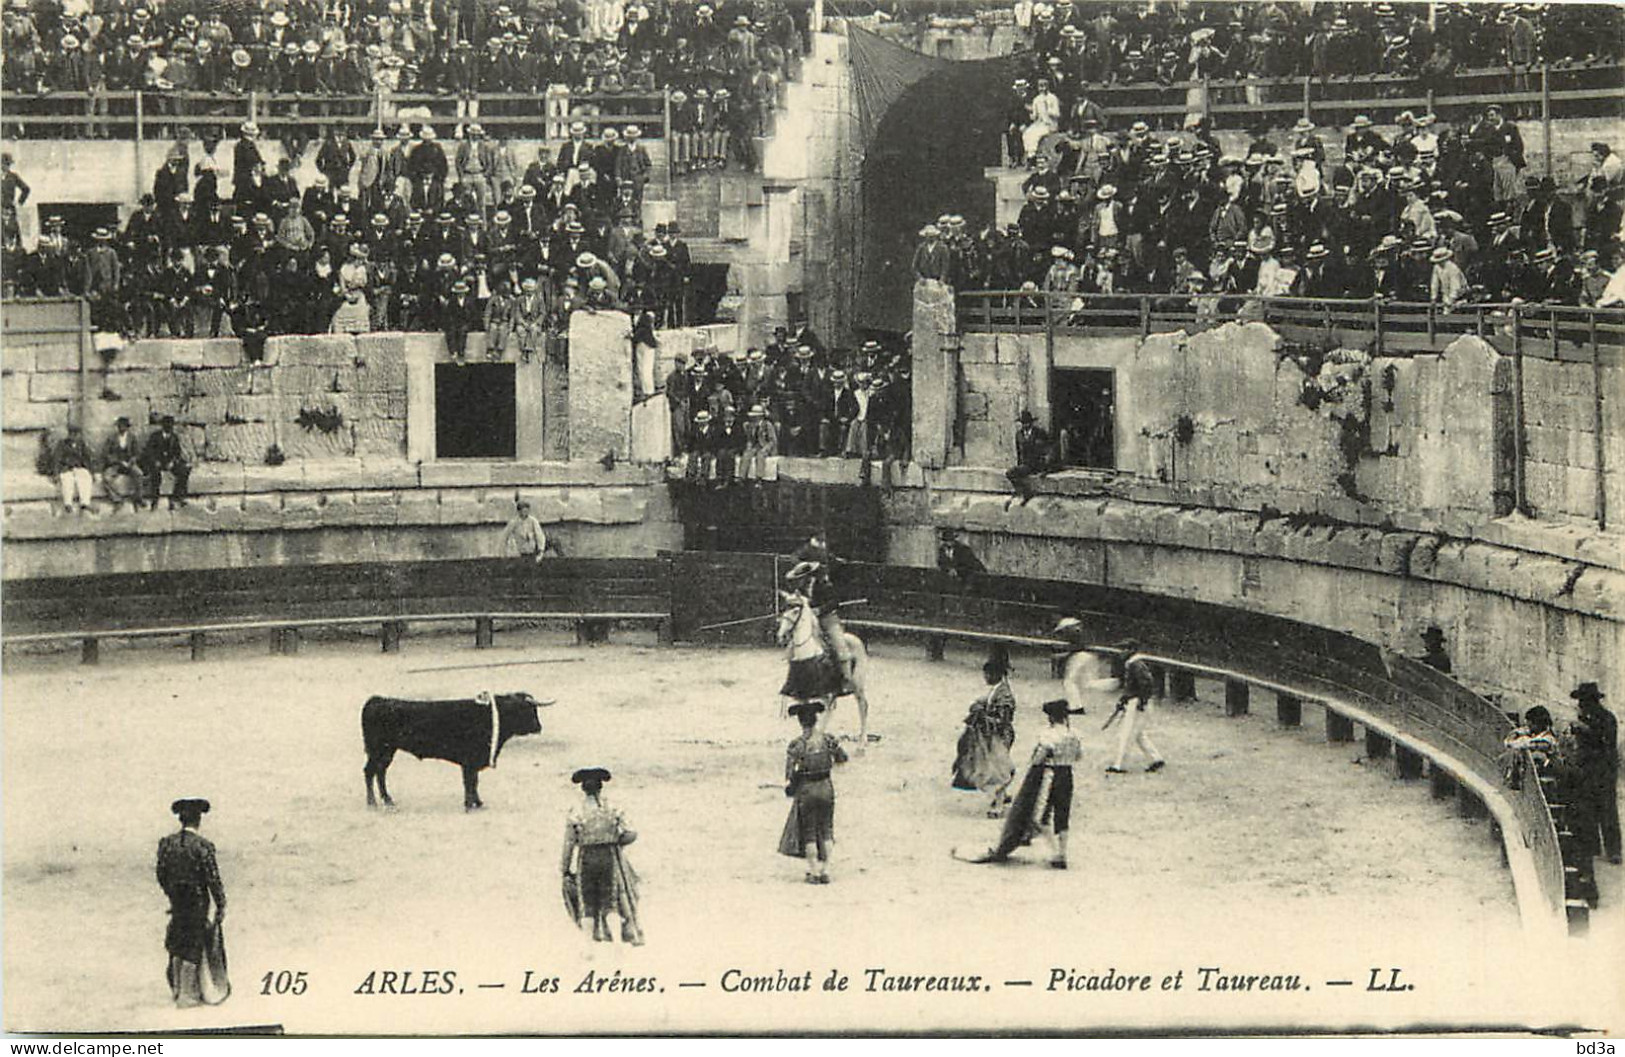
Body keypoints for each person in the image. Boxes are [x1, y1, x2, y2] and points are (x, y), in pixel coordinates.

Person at [959, 697, 1083, 867]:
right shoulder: (1074, 734)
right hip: (1067, 776)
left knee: (1040, 817)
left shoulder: (1049, 734)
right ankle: (1062, 852)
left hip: (1050, 775)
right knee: (1062, 815)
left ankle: (1055, 854)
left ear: (1051, 717)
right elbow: (1078, 757)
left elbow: (1038, 758)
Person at [155, 797, 229, 1008]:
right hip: (197, 903)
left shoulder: (167, 844)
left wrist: (172, 893)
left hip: (177, 902)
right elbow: (213, 880)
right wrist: (221, 905)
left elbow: (161, 874)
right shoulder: (203, 846)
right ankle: (187, 996)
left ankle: (178, 989)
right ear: (198, 820)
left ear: (181, 819)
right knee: (193, 943)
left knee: (177, 941)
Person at [560, 768, 643, 945]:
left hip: (586, 857)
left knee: (587, 901)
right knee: (610, 899)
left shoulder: (576, 811)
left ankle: (588, 945)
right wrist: (615, 842)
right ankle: (618, 942)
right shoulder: (612, 809)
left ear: (583, 789)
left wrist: (565, 869)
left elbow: (569, 843)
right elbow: (631, 834)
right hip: (609, 856)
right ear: (600, 788)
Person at [778, 701, 848, 884]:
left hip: (807, 790)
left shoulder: (797, 745)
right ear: (816, 720)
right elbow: (843, 758)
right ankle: (825, 870)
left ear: (801, 722)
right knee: (826, 829)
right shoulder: (828, 739)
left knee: (809, 832)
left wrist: (792, 786)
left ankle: (815, 872)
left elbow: (789, 773)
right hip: (826, 786)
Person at [953, 648, 1018, 818]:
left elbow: (1002, 720)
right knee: (996, 768)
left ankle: (997, 805)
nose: (985, 678)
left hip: (998, 736)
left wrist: (982, 715)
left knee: (997, 770)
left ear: (996, 674)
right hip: (992, 735)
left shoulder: (1004, 694)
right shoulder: (999, 689)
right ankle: (1001, 797)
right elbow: (986, 702)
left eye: (988, 674)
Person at [1569, 683, 1620, 866]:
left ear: (1592, 702)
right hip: (1588, 771)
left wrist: (1586, 731)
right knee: (1588, 808)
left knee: (1607, 810)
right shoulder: (1586, 718)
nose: (1580, 704)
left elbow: (1607, 745)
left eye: (1583, 701)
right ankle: (1592, 847)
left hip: (1604, 771)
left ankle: (1614, 851)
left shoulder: (1607, 719)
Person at [1105, 652, 1166, 775]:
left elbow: (1146, 683)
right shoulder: (1134, 663)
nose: (1121, 652)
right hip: (1135, 701)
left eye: (1125, 649)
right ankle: (1156, 759)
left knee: (1127, 734)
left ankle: (1119, 765)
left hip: (1136, 702)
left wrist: (1142, 701)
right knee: (1138, 734)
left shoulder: (1135, 664)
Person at [1500, 705, 1560, 789]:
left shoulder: (1547, 740)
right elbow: (1508, 742)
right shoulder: (1535, 735)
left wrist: (1519, 735)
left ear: (1537, 724)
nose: (1528, 726)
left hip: (1546, 773)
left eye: (1530, 724)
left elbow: (1519, 744)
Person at [139, 414, 190, 509]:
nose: (169, 426)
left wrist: (173, 462)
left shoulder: (174, 437)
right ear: (163, 425)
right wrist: (155, 461)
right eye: (167, 424)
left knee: (184, 471)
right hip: (156, 463)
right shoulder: (155, 436)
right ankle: (155, 499)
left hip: (168, 463)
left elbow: (177, 453)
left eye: (171, 424)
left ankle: (177, 497)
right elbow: (149, 451)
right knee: (156, 475)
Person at [1006, 411, 1052, 509]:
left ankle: (1026, 493)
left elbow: (1047, 449)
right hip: (1026, 465)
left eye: (1027, 423)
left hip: (1037, 464)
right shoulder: (1019, 435)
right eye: (1023, 423)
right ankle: (1025, 491)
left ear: (1031, 423)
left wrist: (1046, 468)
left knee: (1011, 473)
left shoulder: (1039, 433)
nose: (1025, 425)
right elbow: (1019, 452)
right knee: (1010, 473)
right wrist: (1019, 465)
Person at [53, 422, 96, 514]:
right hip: (66, 468)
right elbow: (57, 459)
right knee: (67, 480)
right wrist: (56, 473)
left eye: (76, 434)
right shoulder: (62, 444)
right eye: (71, 434)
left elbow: (87, 458)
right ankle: (68, 504)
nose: (73, 436)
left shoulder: (81, 444)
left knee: (85, 477)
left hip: (78, 467)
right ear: (68, 434)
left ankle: (85, 503)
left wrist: (92, 472)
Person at [101, 415, 144, 508]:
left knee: (139, 474)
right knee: (106, 477)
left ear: (127, 427)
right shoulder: (111, 438)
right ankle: (117, 499)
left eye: (124, 426)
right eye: (120, 426)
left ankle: (138, 498)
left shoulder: (132, 438)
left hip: (129, 464)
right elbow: (106, 453)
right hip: (116, 465)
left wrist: (132, 461)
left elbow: (137, 453)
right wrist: (118, 461)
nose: (122, 428)